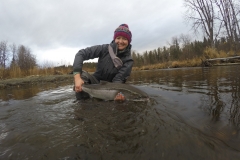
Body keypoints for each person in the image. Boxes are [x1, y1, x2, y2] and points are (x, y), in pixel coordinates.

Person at [73, 24, 133, 101]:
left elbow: (118, 81)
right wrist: (77, 78)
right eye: (118, 38)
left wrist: (118, 98)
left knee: (119, 97)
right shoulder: (104, 49)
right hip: (95, 83)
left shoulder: (128, 61)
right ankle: (82, 103)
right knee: (81, 75)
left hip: (112, 88)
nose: (120, 41)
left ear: (128, 41)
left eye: (124, 39)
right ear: (115, 39)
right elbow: (80, 54)